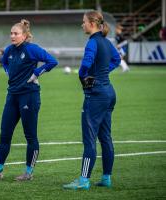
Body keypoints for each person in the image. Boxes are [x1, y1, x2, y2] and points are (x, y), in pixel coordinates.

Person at [0, 19, 58, 181]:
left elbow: (52, 61)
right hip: (12, 96)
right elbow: (4, 62)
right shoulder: (9, 50)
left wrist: (37, 73)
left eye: (16, 33)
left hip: (29, 96)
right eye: (11, 33)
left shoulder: (32, 49)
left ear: (24, 35)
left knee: (30, 136)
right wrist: (9, 72)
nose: (12, 36)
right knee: (4, 134)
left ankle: (28, 172)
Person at [63, 11, 121, 190]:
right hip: (109, 93)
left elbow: (86, 64)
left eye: (84, 22)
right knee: (105, 137)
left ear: (92, 24)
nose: (82, 25)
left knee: (89, 140)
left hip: (96, 95)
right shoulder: (106, 42)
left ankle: (83, 180)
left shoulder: (93, 42)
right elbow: (117, 59)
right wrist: (102, 74)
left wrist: (83, 77)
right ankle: (106, 178)